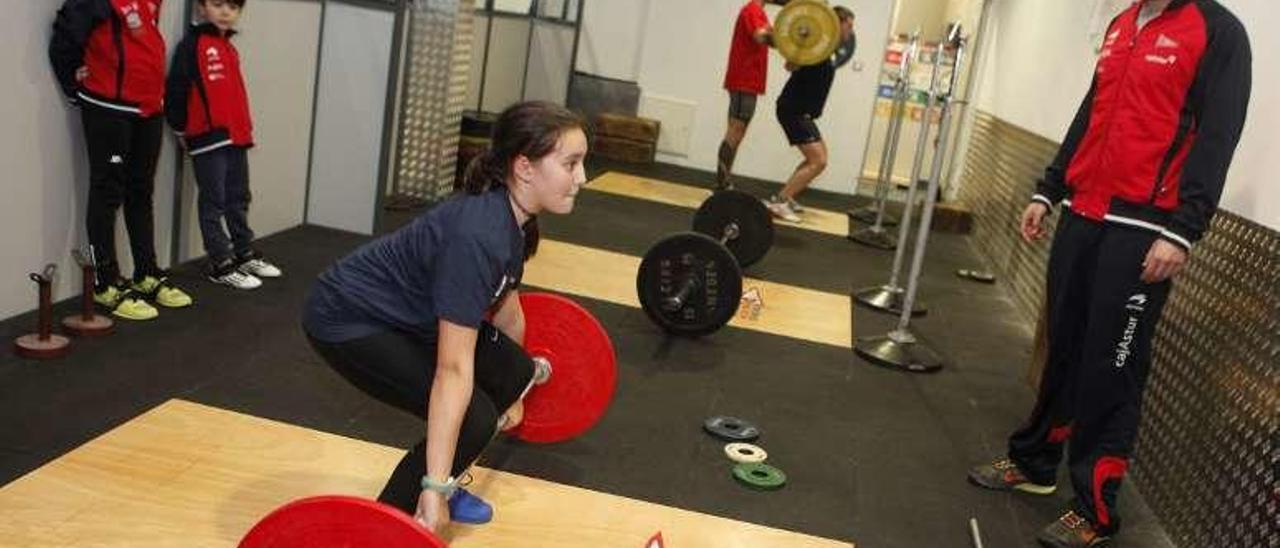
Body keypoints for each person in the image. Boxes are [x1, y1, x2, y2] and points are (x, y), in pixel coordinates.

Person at [965, 1, 1251, 546]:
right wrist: (1050, 188)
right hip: (1085, 214)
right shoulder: (1123, 24)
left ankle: (1096, 509)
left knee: (1112, 368)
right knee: (1063, 345)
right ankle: (1035, 462)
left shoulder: (1218, 32)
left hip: (1144, 231)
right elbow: (1092, 111)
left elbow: (1219, 134)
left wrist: (1182, 231)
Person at [302, 101, 589, 534]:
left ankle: (442, 480)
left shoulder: (516, 220)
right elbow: (453, 370)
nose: (582, 178)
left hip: (408, 313)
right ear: (525, 168)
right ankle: (382, 531)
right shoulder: (477, 237)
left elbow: (507, 309)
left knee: (514, 370)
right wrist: (433, 487)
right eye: (572, 163)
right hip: (348, 318)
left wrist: (516, 385)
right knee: (474, 418)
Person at [50, 0, 194, 320]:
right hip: (109, 113)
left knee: (141, 191)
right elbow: (63, 37)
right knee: (108, 190)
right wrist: (75, 86)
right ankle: (106, 283)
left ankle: (146, 273)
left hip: (148, 111)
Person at [166, 0, 282, 290]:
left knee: (239, 196)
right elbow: (176, 88)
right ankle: (220, 261)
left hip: (236, 135)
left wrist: (244, 127)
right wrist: (180, 127)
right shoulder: (192, 45)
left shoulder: (229, 48)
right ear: (201, 8)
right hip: (208, 137)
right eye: (218, 4)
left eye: (233, 7)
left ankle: (243, 252)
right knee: (214, 200)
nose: (226, 12)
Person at [766, 6, 855, 223]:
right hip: (793, 110)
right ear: (836, 22)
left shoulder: (825, 48)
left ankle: (788, 196)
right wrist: (801, 39)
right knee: (819, 160)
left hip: (802, 112)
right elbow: (790, 63)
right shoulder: (814, 46)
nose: (851, 31)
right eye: (849, 25)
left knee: (816, 158)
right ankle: (780, 201)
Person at [715, 0, 778, 191]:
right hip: (745, 77)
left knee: (736, 130)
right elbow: (761, 37)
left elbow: (770, 40)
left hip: (747, 78)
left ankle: (724, 182)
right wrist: (783, 35)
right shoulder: (753, 9)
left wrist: (785, 36)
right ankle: (722, 183)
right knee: (736, 130)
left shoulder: (758, 12)